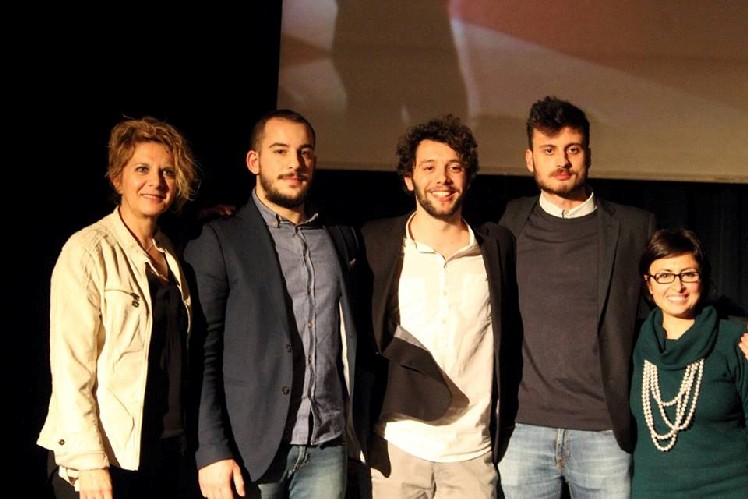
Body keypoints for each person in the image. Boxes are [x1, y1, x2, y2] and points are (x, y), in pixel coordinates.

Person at [182, 109, 361, 499]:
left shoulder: (340, 238)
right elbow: (200, 357)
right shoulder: (219, 240)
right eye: (280, 151)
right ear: (254, 161)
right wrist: (211, 450)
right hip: (248, 451)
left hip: (327, 446)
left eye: (304, 152)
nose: (295, 163)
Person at [496, 96, 657, 498]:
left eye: (573, 149)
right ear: (530, 159)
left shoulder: (633, 227)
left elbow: (678, 295)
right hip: (523, 429)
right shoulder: (509, 223)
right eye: (549, 150)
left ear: (588, 154)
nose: (562, 161)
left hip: (603, 430)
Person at [355, 114, 519, 498]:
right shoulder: (377, 243)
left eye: (454, 167)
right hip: (396, 447)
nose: (442, 179)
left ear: (468, 177)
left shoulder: (496, 247)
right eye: (429, 167)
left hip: (471, 453)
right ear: (408, 178)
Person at [37, 116, 200, 498]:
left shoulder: (170, 253)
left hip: (162, 450)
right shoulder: (88, 250)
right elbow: (71, 365)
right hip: (105, 457)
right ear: (117, 179)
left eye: (167, 172)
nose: (156, 181)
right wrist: (88, 461)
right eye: (142, 169)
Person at [630, 228, 748, 497]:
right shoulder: (630, 343)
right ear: (648, 283)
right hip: (653, 492)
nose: (677, 286)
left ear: (702, 279)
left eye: (688, 274)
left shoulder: (734, 340)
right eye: (664, 275)